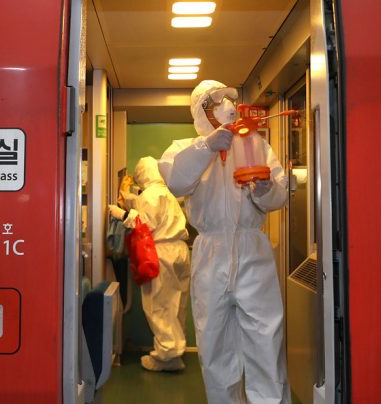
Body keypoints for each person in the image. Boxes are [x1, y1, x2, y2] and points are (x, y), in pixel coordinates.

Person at [158, 80, 290, 403]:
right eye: (218, 101)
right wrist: (207, 146)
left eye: (230, 100)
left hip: (252, 250)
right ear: (202, 109)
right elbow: (176, 180)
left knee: (265, 342)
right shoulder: (183, 149)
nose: (228, 106)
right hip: (210, 253)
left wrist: (263, 190)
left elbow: (279, 191)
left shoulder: (255, 144)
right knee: (215, 347)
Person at [108, 156, 191, 372]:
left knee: (159, 304)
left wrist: (121, 214)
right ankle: (175, 351)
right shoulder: (167, 193)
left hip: (161, 251)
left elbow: (145, 224)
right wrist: (130, 200)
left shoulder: (151, 194)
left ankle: (166, 357)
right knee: (176, 304)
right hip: (180, 250)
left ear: (143, 174)